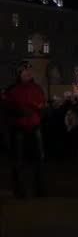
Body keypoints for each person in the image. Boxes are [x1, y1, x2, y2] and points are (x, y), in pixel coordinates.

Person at [2, 61, 46, 198]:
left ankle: (39, 189)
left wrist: (39, 111)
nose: (28, 73)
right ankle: (19, 191)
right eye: (24, 71)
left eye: (29, 71)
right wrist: (19, 111)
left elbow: (42, 105)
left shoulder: (37, 88)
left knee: (39, 159)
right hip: (18, 127)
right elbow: (6, 108)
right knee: (18, 161)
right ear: (19, 73)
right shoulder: (12, 90)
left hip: (34, 126)